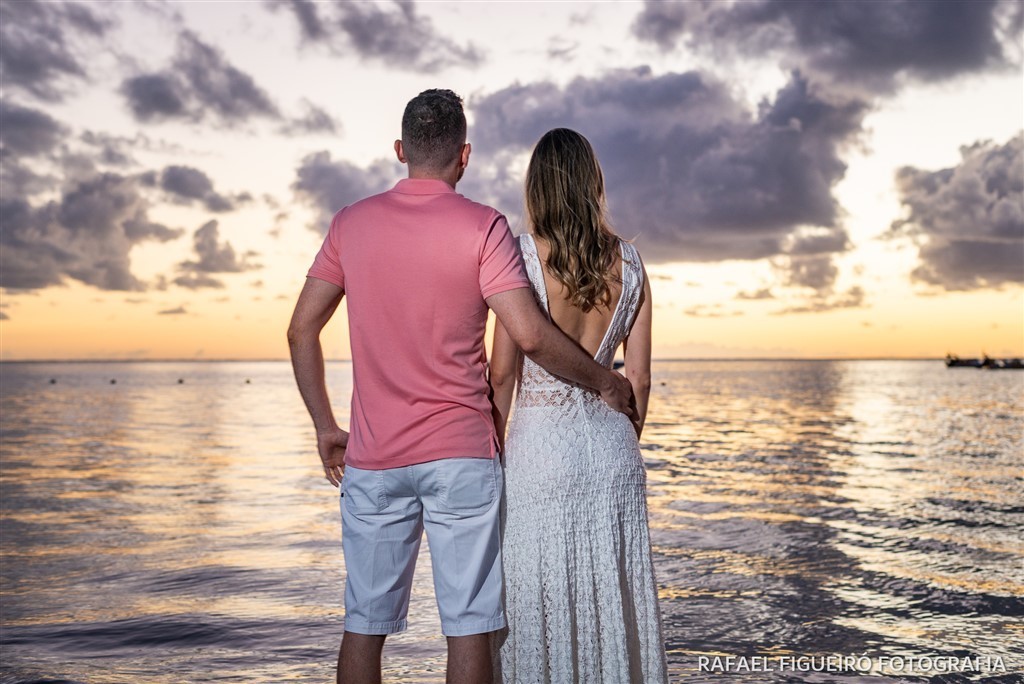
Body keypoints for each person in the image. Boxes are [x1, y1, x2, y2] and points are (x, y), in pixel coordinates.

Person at [287, 92, 634, 684]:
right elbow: (528, 335)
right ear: (464, 156)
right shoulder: (484, 227)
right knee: (470, 626)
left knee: (364, 626)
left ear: (401, 151)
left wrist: (326, 426)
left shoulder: (350, 224)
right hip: (463, 457)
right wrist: (606, 380)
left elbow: (300, 331)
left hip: (373, 459)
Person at [489, 128, 669, 683]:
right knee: (613, 601)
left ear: (536, 187)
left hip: (539, 455)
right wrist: (618, 440)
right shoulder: (632, 264)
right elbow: (636, 377)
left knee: (537, 602)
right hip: (614, 453)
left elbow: (501, 376)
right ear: (593, 182)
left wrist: (491, 459)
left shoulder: (519, 257)